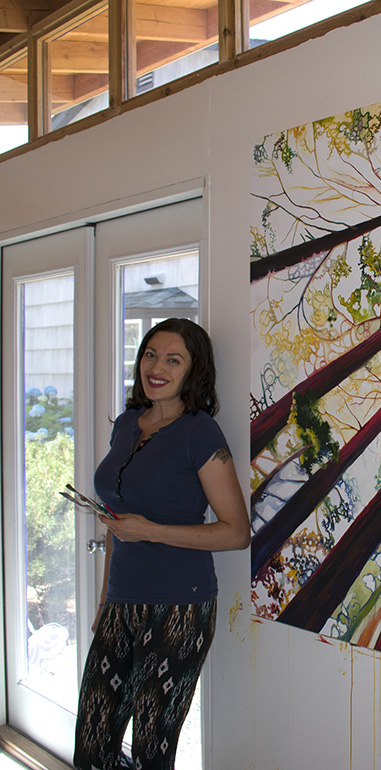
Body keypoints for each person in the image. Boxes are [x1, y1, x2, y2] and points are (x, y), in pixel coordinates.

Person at [73, 318, 250, 770]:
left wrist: (149, 530)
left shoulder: (200, 433)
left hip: (179, 609)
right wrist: (103, 602)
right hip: (121, 603)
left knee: (153, 750)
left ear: (194, 371)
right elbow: (118, 522)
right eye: (151, 354)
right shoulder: (128, 423)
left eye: (174, 359)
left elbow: (235, 531)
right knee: (93, 743)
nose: (157, 367)